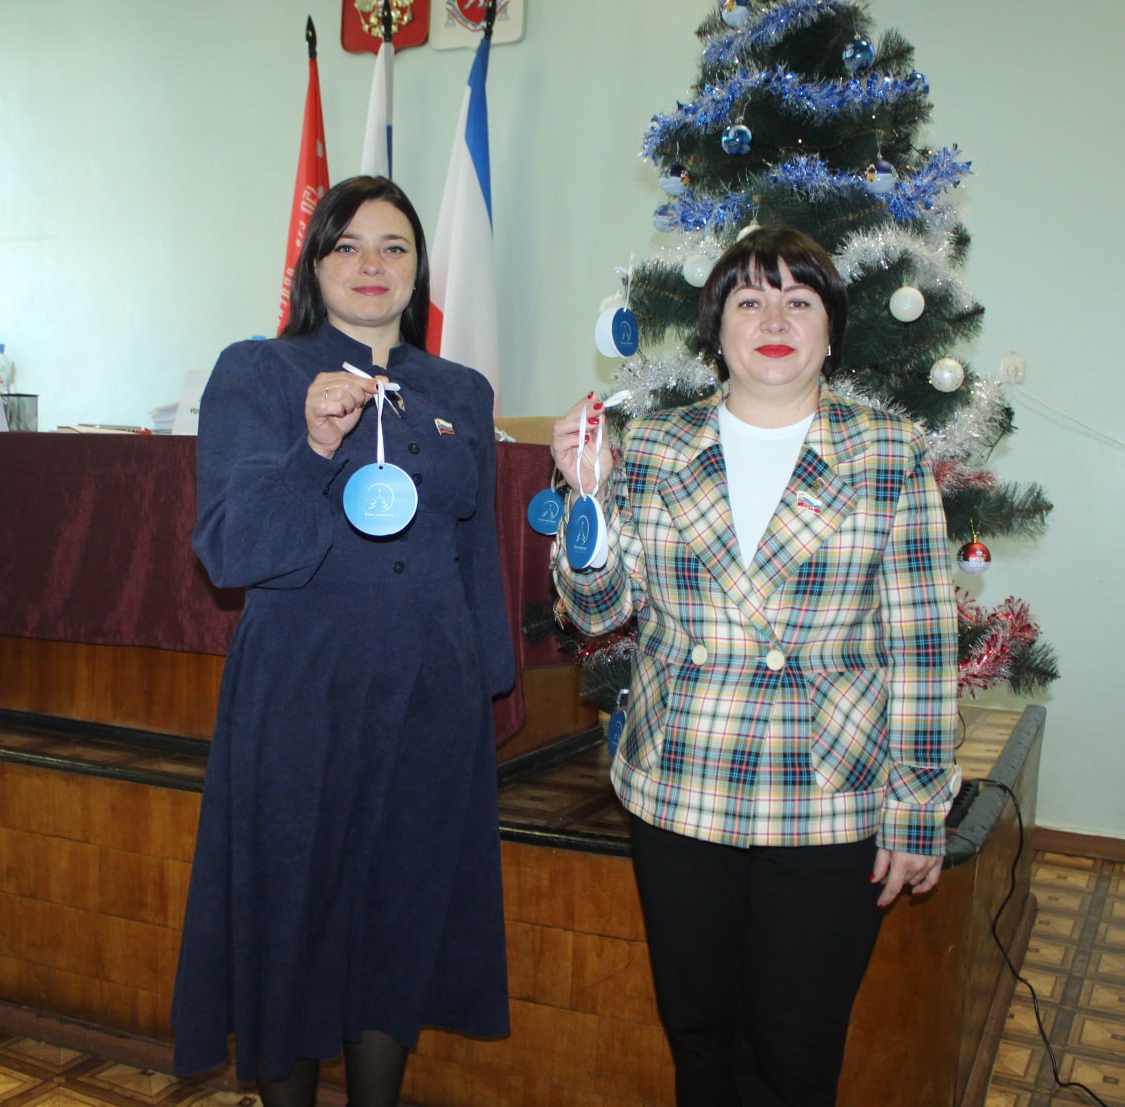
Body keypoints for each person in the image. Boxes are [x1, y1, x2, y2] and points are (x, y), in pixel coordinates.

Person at [550, 226, 958, 1106]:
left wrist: (918, 805)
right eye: (749, 301)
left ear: (831, 330)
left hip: (828, 801)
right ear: (717, 328)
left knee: (793, 1055)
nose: (774, 320)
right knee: (698, 1038)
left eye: (798, 301)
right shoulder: (652, 445)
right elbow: (600, 612)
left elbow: (922, 646)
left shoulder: (888, 452)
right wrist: (587, 500)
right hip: (681, 788)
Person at [170, 175, 515, 1107]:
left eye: (394, 246)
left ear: (419, 269)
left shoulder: (461, 390)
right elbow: (232, 551)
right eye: (348, 245)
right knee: (294, 916)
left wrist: (487, 686)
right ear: (314, 265)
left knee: (399, 919)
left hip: (430, 696)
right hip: (301, 692)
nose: (372, 264)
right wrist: (314, 448)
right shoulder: (258, 373)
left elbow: (475, 551)